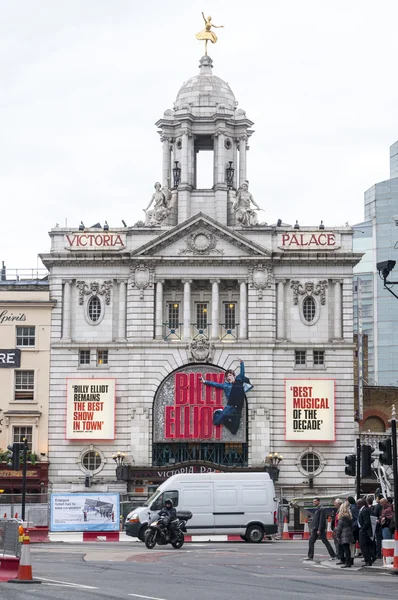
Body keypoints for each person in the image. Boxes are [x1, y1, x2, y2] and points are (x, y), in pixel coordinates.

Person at [200, 360, 253, 434]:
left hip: (238, 410)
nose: (229, 377)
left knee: (234, 431)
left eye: (230, 375)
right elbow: (216, 384)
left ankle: (225, 417)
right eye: (227, 376)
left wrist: (242, 363)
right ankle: (219, 412)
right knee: (216, 422)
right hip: (230, 408)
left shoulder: (239, 380)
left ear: (234, 376)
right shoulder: (226, 385)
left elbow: (242, 373)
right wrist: (205, 382)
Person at [303, 497, 336, 562]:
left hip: (319, 529)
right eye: (313, 501)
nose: (314, 503)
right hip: (316, 528)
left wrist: (319, 529)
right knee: (311, 541)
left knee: (325, 542)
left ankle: (333, 555)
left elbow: (322, 520)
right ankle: (310, 556)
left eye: (315, 501)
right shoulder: (317, 509)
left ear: (318, 502)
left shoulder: (322, 509)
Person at [335, 501, 354, 568]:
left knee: (345, 549)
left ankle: (347, 563)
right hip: (349, 534)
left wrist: (337, 536)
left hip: (343, 535)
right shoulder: (349, 517)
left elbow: (339, 528)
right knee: (348, 549)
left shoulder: (342, 518)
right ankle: (348, 562)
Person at [357, 498, 374, 566]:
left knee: (363, 546)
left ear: (361, 504)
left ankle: (368, 561)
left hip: (364, 531)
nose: (357, 505)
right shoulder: (365, 509)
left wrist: (362, 529)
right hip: (365, 530)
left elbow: (367, 522)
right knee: (367, 546)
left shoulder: (364, 510)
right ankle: (371, 558)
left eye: (357, 504)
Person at [331, 498, 344, 563]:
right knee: (337, 543)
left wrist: (336, 529)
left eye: (335, 503)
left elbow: (339, 521)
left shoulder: (341, 511)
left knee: (339, 544)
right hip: (336, 529)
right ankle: (339, 556)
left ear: (339, 504)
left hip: (338, 529)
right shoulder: (337, 510)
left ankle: (340, 557)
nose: (334, 505)